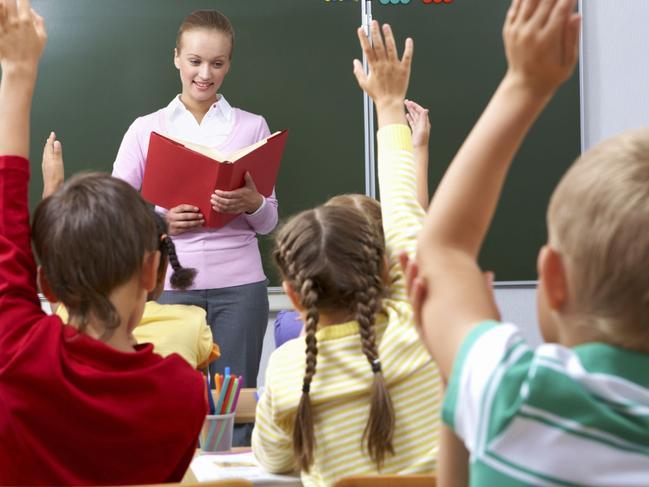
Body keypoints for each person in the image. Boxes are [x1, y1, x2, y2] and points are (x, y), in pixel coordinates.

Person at [407, 0, 649, 484]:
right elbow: (445, 253)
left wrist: (527, 82)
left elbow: (442, 250)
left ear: (553, 278)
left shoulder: (517, 393)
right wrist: (457, 382)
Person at [0, 1, 206, 484]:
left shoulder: (18, 355)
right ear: (152, 271)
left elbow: (6, 219)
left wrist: (17, 72)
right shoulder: (182, 394)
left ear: (45, 281)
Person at [252, 21, 442, 486]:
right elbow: (403, 213)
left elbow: (274, 463)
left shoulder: (288, 372)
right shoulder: (422, 334)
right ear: (385, 268)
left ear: (294, 298)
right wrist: (390, 105)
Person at [112, 9, 276, 392]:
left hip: (241, 288)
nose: (205, 74)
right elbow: (115, 212)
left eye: (217, 63)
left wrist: (252, 203)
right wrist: (160, 224)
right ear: (176, 58)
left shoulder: (253, 127)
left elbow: (269, 222)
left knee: (235, 403)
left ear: (228, 65)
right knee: (168, 401)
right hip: (168, 285)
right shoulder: (144, 129)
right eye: (195, 61)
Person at [273, 100, 431, 349]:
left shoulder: (292, 331)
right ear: (385, 262)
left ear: (294, 294)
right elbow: (413, 221)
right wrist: (418, 148)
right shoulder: (407, 322)